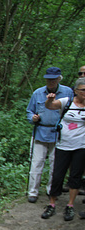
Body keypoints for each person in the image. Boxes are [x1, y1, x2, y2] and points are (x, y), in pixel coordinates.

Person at [25, 67, 74, 203]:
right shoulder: (38, 93)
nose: (50, 82)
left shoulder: (67, 92)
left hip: (59, 134)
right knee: (36, 163)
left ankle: (51, 190)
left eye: (53, 79)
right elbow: (29, 111)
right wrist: (33, 118)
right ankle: (32, 192)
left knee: (55, 164)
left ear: (59, 79)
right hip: (40, 132)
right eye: (48, 79)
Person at [40, 78, 85, 221]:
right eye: (83, 90)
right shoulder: (67, 102)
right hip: (63, 145)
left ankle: (70, 205)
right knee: (57, 175)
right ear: (76, 91)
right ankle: (51, 204)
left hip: (81, 146)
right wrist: (49, 100)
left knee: (75, 176)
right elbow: (51, 106)